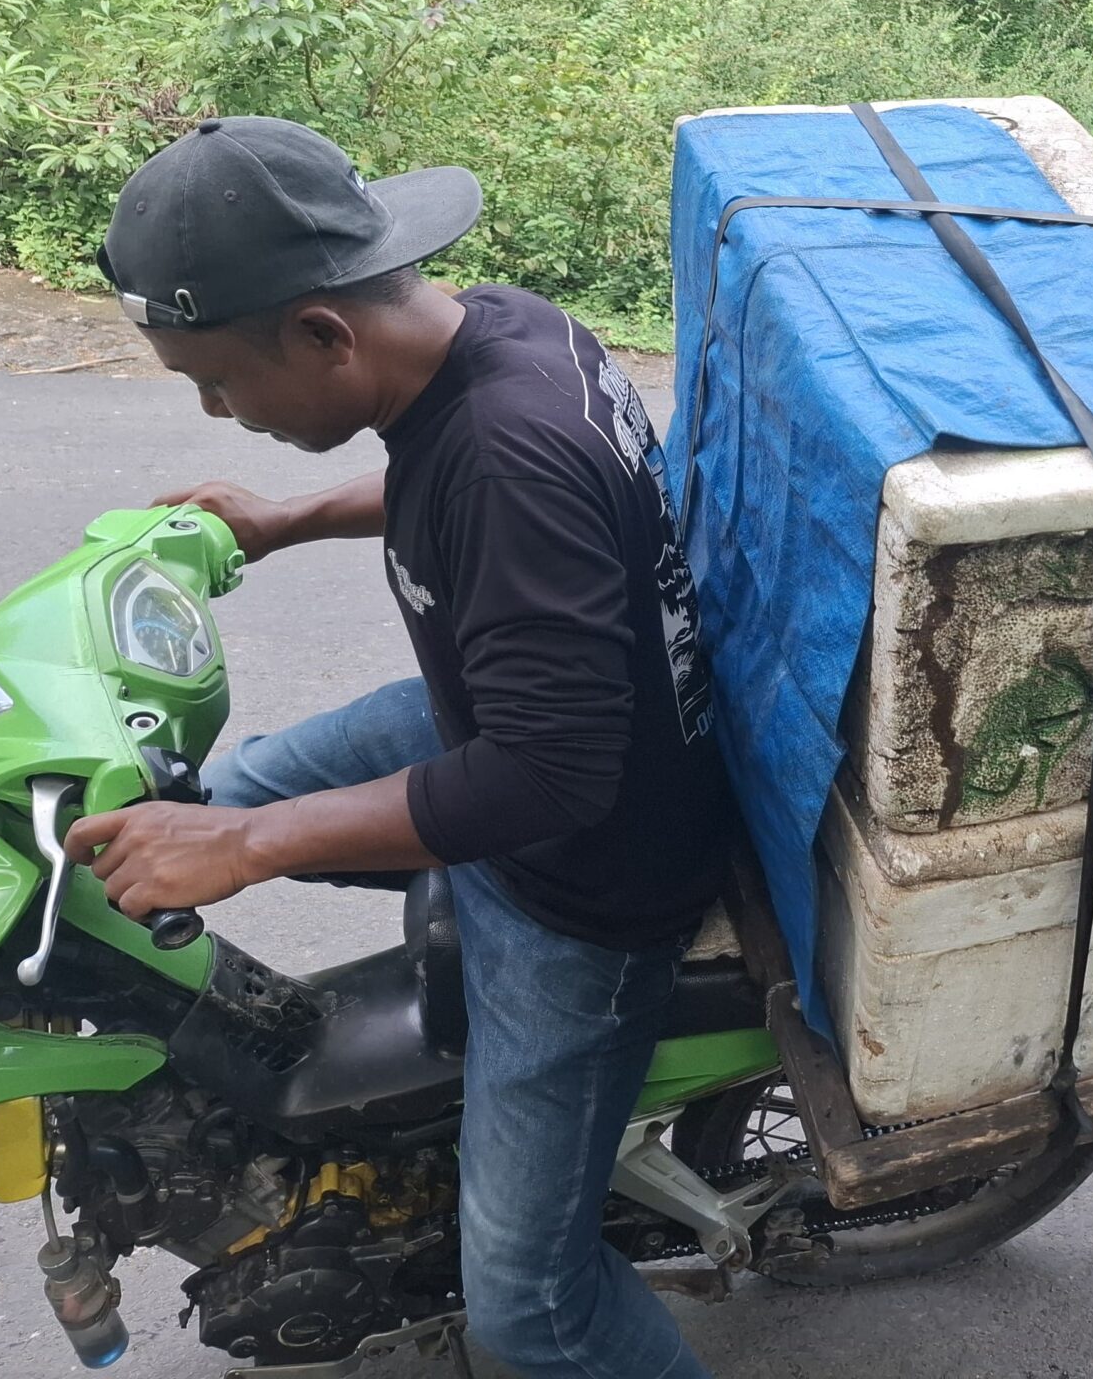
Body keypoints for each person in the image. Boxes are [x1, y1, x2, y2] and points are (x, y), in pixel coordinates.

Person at [66, 117, 731, 1379]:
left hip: (583, 872)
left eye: (218, 381)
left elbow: (546, 777)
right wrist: (288, 518)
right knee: (212, 795)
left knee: (530, 1315)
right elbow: (445, 481)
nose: (215, 410)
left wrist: (251, 847)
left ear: (326, 333)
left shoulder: (511, 456)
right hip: (501, 710)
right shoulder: (499, 330)